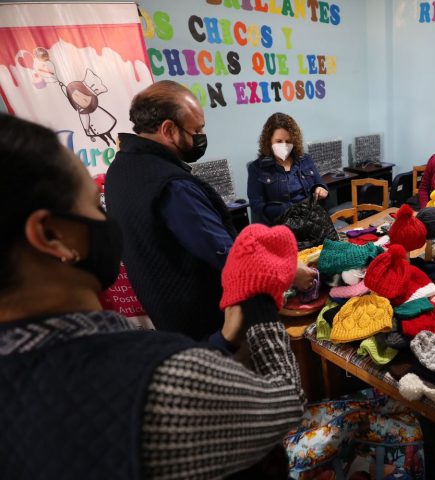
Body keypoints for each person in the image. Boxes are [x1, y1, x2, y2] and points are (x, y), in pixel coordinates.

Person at [0, 113, 318, 480]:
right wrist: (259, 299)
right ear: (52, 236)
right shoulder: (155, 381)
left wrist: (222, 341)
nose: (108, 220)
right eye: (93, 206)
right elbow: (285, 403)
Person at [105, 82, 315, 339]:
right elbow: (226, 254)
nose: (202, 135)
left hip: (168, 318)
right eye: (197, 130)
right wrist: (289, 271)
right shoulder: (173, 186)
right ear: (168, 130)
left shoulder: (118, 170)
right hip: (207, 323)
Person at [247, 112, 328, 225]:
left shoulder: (305, 159)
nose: (284, 145)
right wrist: (286, 210)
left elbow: (320, 183)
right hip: (281, 225)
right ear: (269, 141)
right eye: (279, 141)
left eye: (288, 141)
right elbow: (256, 205)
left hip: (311, 221)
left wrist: (321, 189)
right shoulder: (257, 168)